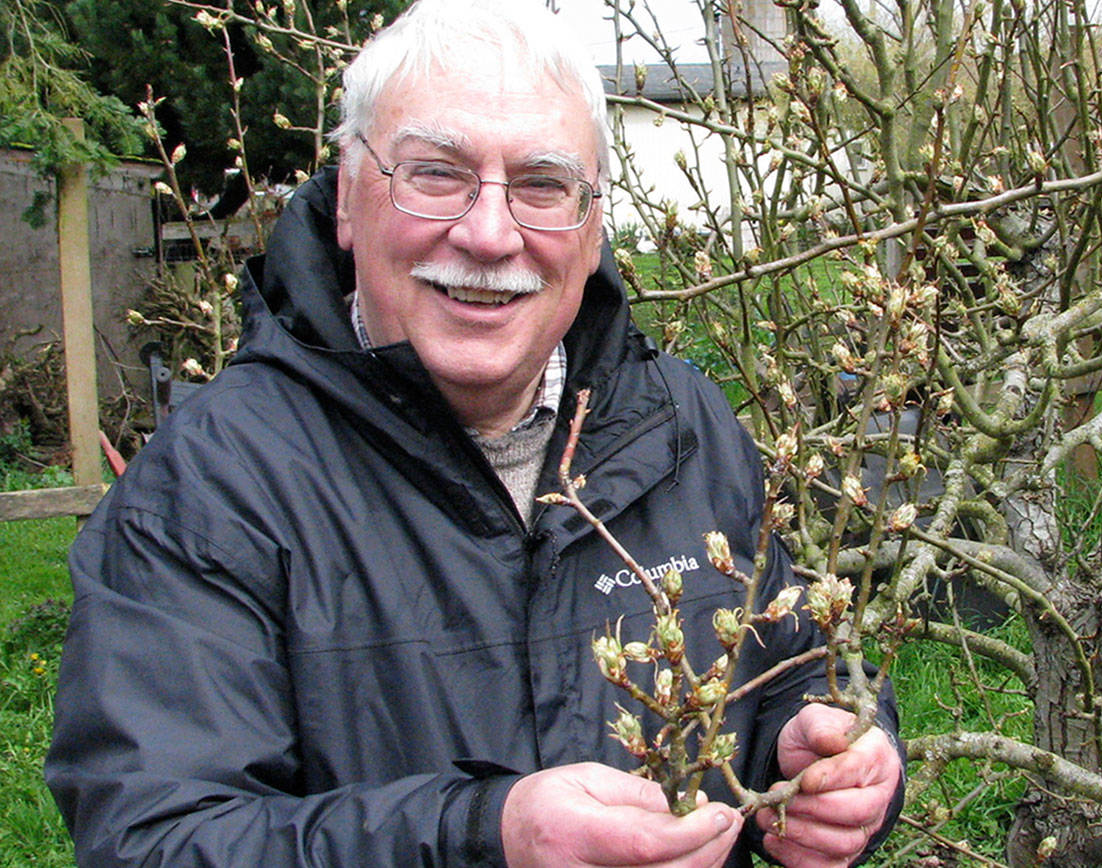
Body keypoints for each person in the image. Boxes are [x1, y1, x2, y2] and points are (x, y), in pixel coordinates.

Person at [46, 1, 905, 865]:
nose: (491, 235)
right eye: (436, 173)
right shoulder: (210, 486)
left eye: (542, 185)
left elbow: (795, 656)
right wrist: (484, 838)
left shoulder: (683, 428)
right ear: (347, 199)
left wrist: (819, 751)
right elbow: (152, 840)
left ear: (592, 224)